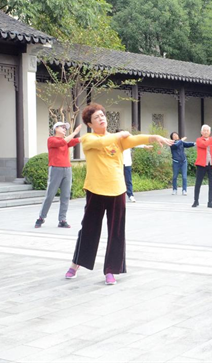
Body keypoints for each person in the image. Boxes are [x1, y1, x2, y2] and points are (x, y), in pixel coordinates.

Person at [64, 103, 172, 285]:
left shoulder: (118, 140)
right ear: (90, 124)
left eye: (102, 115)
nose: (101, 118)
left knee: (116, 232)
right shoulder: (88, 139)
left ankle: (111, 270)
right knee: (89, 229)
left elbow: (135, 139)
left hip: (117, 190)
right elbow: (102, 142)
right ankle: (76, 264)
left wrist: (153, 137)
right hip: (95, 190)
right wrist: (119, 135)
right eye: (96, 117)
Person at [34, 122, 82, 228]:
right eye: (62, 127)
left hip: (67, 169)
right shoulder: (51, 140)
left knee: (66, 195)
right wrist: (75, 133)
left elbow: (73, 141)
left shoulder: (65, 141)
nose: (65, 129)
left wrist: (84, 138)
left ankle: (62, 220)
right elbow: (63, 142)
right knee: (50, 195)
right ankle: (41, 217)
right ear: (56, 128)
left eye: (65, 128)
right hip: (55, 169)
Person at [170, 132, 195, 196]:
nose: (175, 136)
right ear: (172, 137)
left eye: (176, 135)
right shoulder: (171, 143)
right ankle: (174, 189)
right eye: (174, 135)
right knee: (175, 176)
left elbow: (187, 144)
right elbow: (176, 145)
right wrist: (181, 140)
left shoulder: (181, 142)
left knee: (184, 177)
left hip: (183, 162)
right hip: (176, 162)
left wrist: (194, 143)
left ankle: (184, 190)